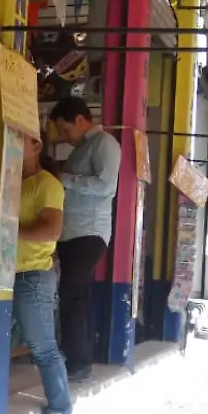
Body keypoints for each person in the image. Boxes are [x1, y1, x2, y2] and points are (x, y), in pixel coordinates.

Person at [51, 96, 121, 383]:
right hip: (72, 234)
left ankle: (78, 361)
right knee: (78, 296)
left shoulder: (104, 144)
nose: (65, 136)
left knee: (71, 295)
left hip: (88, 233)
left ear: (80, 119)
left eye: (66, 129)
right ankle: (81, 357)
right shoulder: (80, 150)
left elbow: (106, 186)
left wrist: (63, 178)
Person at [11, 134, 73, 414]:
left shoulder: (46, 183)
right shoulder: (9, 181)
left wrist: (9, 230)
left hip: (32, 274)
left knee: (43, 347)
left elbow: (52, 229)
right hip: (2, 275)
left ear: (36, 146)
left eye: (19, 137)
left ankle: (60, 412)